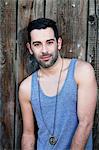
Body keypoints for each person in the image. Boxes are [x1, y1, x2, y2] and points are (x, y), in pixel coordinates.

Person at [19, 18, 97, 150]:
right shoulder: (26, 88)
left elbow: (86, 123)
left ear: (58, 43)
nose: (44, 50)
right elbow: (28, 135)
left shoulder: (81, 72)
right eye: (37, 44)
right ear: (30, 48)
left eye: (49, 42)